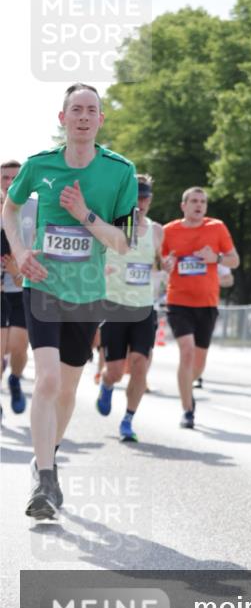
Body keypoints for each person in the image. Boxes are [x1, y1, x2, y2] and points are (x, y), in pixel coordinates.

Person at [2, 83, 138, 520]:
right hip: (42, 285)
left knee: (67, 389)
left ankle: (49, 455)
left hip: (88, 293)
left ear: (101, 120)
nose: (82, 116)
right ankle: (44, 479)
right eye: (75, 110)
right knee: (46, 382)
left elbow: (122, 243)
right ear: (62, 119)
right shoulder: (40, 165)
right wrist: (21, 252)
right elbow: (9, 207)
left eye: (91, 110)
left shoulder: (120, 171)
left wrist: (84, 214)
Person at [162, 186, 239, 428]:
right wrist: (165, 264)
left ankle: (187, 387)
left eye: (202, 202)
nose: (199, 205)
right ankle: (187, 410)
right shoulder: (168, 231)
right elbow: (159, 263)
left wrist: (215, 259)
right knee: (186, 351)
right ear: (183, 205)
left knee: (198, 363)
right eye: (194, 201)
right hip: (178, 302)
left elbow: (234, 260)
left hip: (207, 303)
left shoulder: (216, 227)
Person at [95, 175, 164, 442]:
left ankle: (128, 419)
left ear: (150, 199)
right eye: (136, 197)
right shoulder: (112, 225)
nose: (140, 202)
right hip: (114, 305)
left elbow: (157, 264)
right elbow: (92, 258)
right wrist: (101, 269)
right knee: (114, 370)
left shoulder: (157, 230)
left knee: (140, 366)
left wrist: (163, 266)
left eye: (145, 197)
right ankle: (107, 384)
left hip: (144, 308)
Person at [1, 159, 37, 414]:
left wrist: (20, 271)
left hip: (24, 287)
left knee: (18, 346)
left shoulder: (37, 207)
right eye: (5, 178)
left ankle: (15, 378)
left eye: (15, 177)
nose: (11, 182)